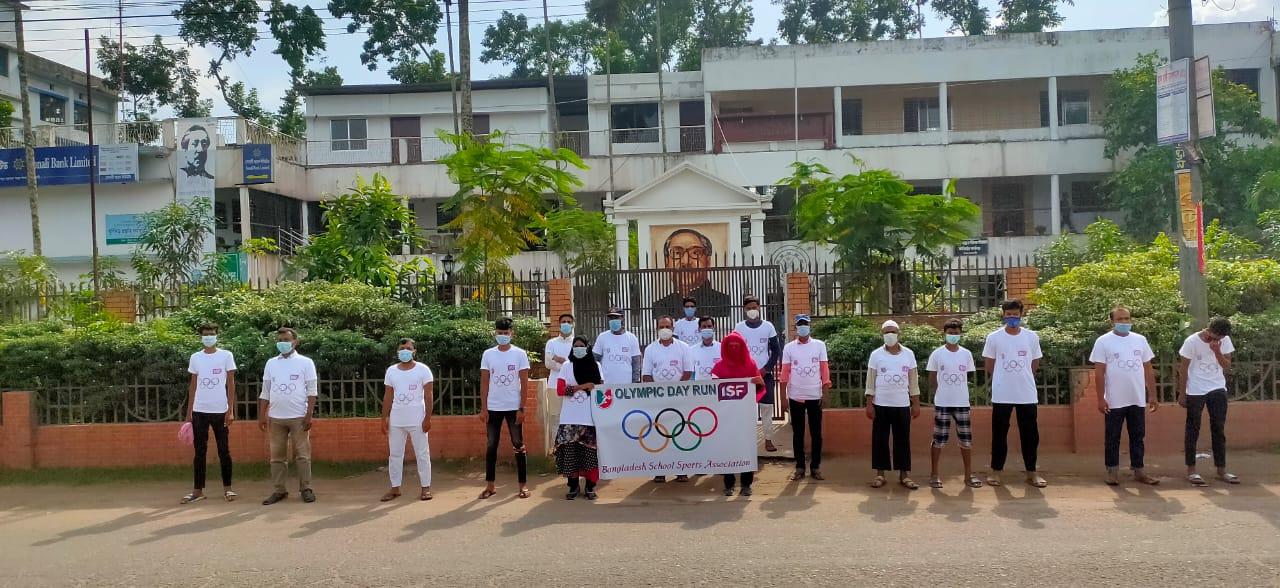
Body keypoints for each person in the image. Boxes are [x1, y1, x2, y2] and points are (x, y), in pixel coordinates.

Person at [1090, 307, 1159, 486]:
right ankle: (1112, 471)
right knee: (1112, 436)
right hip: (1114, 399)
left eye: (1127, 319)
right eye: (1120, 319)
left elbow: (1148, 368)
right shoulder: (1103, 342)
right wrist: (1100, 398)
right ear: (1111, 321)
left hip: (1136, 397)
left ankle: (1139, 470)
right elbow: (1099, 372)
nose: (1124, 322)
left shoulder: (1140, 340)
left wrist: (1152, 395)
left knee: (1138, 435)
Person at [982, 299, 1047, 488]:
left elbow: (1035, 362)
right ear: (1003, 315)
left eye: (1015, 314)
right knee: (999, 433)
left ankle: (1032, 472)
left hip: (1026, 393)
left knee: (1030, 435)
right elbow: (989, 364)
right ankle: (995, 471)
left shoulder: (1031, 337)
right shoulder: (994, 337)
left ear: (1021, 314)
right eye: (1008, 314)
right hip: (1002, 393)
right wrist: (1003, 377)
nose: (1012, 318)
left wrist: (1024, 376)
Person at [258, 327, 319, 505]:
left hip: (299, 416)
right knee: (277, 456)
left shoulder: (305, 363)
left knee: (302, 455)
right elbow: (266, 390)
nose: (282, 343)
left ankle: (306, 488)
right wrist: (262, 415)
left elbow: (312, 391)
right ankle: (279, 490)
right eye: (280, 340)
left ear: (295, 342)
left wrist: (309, 415)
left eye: (286, 339)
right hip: (275, 417)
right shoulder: (271, 363)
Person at [1178, 316, 1240, 486]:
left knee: (1218, 428)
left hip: (1217, 388)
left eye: (1219, 338)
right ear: (1208, 329)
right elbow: (1183, 369)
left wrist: (1217, 351)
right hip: (1196, 390)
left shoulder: (1224, 340)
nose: (1214, 340)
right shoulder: (1191, 341)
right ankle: (1191, 471)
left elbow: (1226, 365)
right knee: (1193, 428)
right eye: (1213, 336)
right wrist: (1182, 393)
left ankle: (1221, 470)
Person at [182, 324, 237, 504]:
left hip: (220, 411)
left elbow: (231, 384)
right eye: (205, 334)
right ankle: (197, 491)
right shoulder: (195, 357)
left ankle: (228, 489)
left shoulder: (226, 356)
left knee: (224, 450)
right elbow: (193, 385)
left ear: (217, 335)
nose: (209, 337)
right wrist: (189, 412)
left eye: (212, 334)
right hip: (199, 411)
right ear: (201, 337)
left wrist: (230, 410)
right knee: (199, 452)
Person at [479, 317, 532, 500]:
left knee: (518, 444)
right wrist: (483, 408)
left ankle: (523, 486)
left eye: (506, 333)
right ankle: (490, 485)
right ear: (495, 333)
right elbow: (484, 382)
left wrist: (522, 408)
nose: (503, 336)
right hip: (493, 407)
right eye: (500, 333)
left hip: (513, 407)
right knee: (491, 445)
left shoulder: (519, 354)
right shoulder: (488, 354)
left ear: (512, 334)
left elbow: (524, 383)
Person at [866, 320, 921, 490]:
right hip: (881, 404)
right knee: (880, 439)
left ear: (899, 334)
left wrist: (916, 403)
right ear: (882, 335)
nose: (889, 335)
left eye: (892, 332)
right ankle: (880, 474)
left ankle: (904, 474)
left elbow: (913, 381)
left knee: (902, 440)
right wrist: (869, 404)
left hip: (902, 404)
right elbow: (870, 381)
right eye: (886, 332)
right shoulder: (876, 355)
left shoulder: (909, 354)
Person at [926, 319, 981, 489]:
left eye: (956, 333)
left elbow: (969, 376)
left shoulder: (966, 354)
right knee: (939, 439)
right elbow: (932, 378)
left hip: (962, 403)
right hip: (943, 403)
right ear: (945, 334)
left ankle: (968, 475)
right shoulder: (937, 354)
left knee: (966, 440)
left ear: (960, 334)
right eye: (950, 333)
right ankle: (934, 474)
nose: (953, 336)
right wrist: (940, 393)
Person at [380, 338, 435, 502]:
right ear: (398, 351)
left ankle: (426, 488)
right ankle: (395, 488)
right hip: (397, 420)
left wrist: (428, 418)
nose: (404, 351)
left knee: (422, 454)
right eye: (402, 348)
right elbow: (388, 395)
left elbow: (429, 395)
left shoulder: (423, 370)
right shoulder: (391, 371)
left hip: (417, 419)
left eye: (408, 348)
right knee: (395, 455)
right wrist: (384, 418)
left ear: (414, 351)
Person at [713, 332, 767, 496]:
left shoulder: (750, 365)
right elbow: (712, 392)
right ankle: (728, 484)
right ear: (725, 348)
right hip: (726, 416)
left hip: (745, 416)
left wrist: (760, 382)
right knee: (728, 449)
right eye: (731, 346)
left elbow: (759, 387)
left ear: (743, 347)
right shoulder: (719, 367)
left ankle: (746, 484)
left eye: (737, 346)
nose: (734, 349)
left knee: (747, 448)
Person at [779, 315, 831, 482]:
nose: (803, 327)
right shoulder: (789, 348)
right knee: (798, 434)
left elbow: (824, 369)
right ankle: (800, 467)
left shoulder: (819, 345)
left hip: (815, 396)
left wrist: (825, 390)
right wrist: (783, 397)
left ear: (809, 327)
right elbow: (784, 373)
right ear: (796, 328)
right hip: (796, 397)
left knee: (817, 434)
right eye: (800, 325)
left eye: (805, 325)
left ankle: (815, 467)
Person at [642, 315, 693, 482]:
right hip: (658, 401)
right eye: (661, 326)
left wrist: (674, 391)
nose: (665, 329)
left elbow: (688, 372)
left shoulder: (684, 347)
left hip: (679, 399)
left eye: (667, 326)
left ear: (673, 328)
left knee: (679, 432)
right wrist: (660, 393)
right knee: (659, 433)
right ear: (657, 329)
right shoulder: (650, 349)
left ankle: (681, 470)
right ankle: (660, 470)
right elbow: (646, 375)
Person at [554, 336, 602, 500]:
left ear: (588, 347)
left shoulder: (596, 366)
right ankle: (573, 486)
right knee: (570, 454)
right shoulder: (567, 366)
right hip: (569, 419)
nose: (578, 348)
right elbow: (560, 390)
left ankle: (590, 487)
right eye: (576, 346)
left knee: (590, 455)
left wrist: (577, 388)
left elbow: (600, 388)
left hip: (589, 418)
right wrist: (583, 386)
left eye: (582, 346)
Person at [734, 295, 781, 453]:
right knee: (747, 409)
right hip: (745, 376)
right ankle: (748, 442)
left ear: (759, 308)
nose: (752, 311)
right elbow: (734, 351)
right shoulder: (739, 328)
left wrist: (766, 369)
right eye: (748, 308)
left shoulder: (768, 326)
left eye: (754, 308)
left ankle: (768, 440)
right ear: (744, 310)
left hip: (764, 375)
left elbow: (776, 351)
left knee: (767, 407)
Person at [652, 229, 731, 317]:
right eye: (677, 253)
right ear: (666, 263)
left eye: (695, 253)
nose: (685, 262)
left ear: (708, 261)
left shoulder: (725, 303)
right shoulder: (659, 307)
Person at [593, 307, 642, 386]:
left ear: (622, 318)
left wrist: (634, 384)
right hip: (606, 386)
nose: (613, 320)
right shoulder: (602, 337)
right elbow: (594, 361)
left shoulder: (632, 338)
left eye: (616, 317)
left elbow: (636, 364)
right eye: (611, 318)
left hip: (627, 386)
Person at [689, 316, 722, 381]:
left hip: (718, 388)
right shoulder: (692, 350)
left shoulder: (722, 348)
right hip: (700, 389)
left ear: (714, 328)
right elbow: (691, 373)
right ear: (699, 329)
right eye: (704, 327)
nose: (707, 329)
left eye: (709, 326)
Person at [545, 313, 575, 383]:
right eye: (564, 322)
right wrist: (568, 363)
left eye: (569, 322)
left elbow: (579, 364)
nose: (566, 324)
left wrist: (558, 359)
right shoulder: (551, 343)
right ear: (559, 325)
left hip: (573, 384)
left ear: (572, 325)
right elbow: (548, 364)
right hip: (554, 383)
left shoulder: (577, 343)